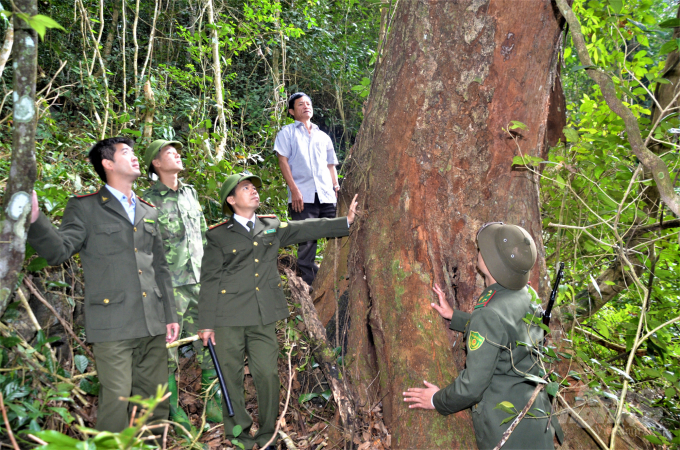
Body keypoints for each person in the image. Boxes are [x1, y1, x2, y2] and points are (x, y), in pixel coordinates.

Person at [27, 137, 179, 432]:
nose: (135, 156)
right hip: (113, 323)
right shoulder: (85, 208)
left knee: (155, 403)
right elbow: (59, 251)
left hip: (152, 320)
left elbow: (159, 265)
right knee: (117, 402)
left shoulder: (148, 210)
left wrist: (170, 315)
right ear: (107, 164)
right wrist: (34, 218)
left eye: (134, 152)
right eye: (126, 152)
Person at [198, 172, 358, 450]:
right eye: (246, 188)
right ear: (232, 199)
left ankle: (268, 435)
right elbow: (210, 279)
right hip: (227, 318)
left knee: (267, 376)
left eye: (254, 187)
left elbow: (306, 228)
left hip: (263, 316)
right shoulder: (218, 235)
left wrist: (345, 222)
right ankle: (240, 436)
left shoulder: (269, 225)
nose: (253, 191)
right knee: (232, 378)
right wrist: (206, 323)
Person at [403, 223, 563, 450]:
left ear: (489, 265)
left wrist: (436, 400)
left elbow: (472, 387)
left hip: (505, 433)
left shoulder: (488, 314)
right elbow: (506, 333)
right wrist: (456, 317)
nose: (480, 251)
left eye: (484, 250)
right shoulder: (528, 293)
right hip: (536, 422)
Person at [141, 140, 221, 426]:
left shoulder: (190, 193)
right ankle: (172, 414)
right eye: (168, 152)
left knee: (209, 341)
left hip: (200, 280)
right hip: (169, 286)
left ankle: (213, 404)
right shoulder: (147, 200)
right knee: (168, 351)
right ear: (157, 164)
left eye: (177, 150)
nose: (176, 153)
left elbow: (202, 235)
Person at [274, 92, 341, 285]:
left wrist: (336, 185)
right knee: (307, 243)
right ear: (292, 111)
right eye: (301, 104)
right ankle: (310, 285)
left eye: (308, 103)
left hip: (327, 195)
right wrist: (294, 190)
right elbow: (282, 161)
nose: (306, 106)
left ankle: (336, 278)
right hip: (302, 196)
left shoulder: (323, 136)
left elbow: (330, 165)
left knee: (336, 234)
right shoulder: (287, 133)